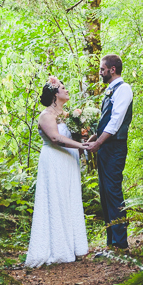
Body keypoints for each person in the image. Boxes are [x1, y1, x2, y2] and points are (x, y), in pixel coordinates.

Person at [24, 76, 89, 267]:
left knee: (70, 199)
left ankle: (74, 247)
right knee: (57, 199)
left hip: (69, 161)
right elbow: (55, 138)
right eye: (62, 87)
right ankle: (58, 248)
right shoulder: (46, 116)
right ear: (54, 94)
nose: (66, 90)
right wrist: (82, 146)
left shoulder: (68, 116)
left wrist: (87, 139)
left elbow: (72, 137)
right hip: (54, 160)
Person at [85, 54, 133, 251]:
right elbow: (107, 120)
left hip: (115, 148)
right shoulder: (110, 90)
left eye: (102, 69)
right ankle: (111, 243)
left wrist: (99, 143)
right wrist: (95, 137)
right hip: (105, 146)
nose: (100, 72)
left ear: (112, 70)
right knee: (105, 194)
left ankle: (121, 244)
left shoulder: (124, 89)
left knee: (113, 192)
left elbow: (116, 121)